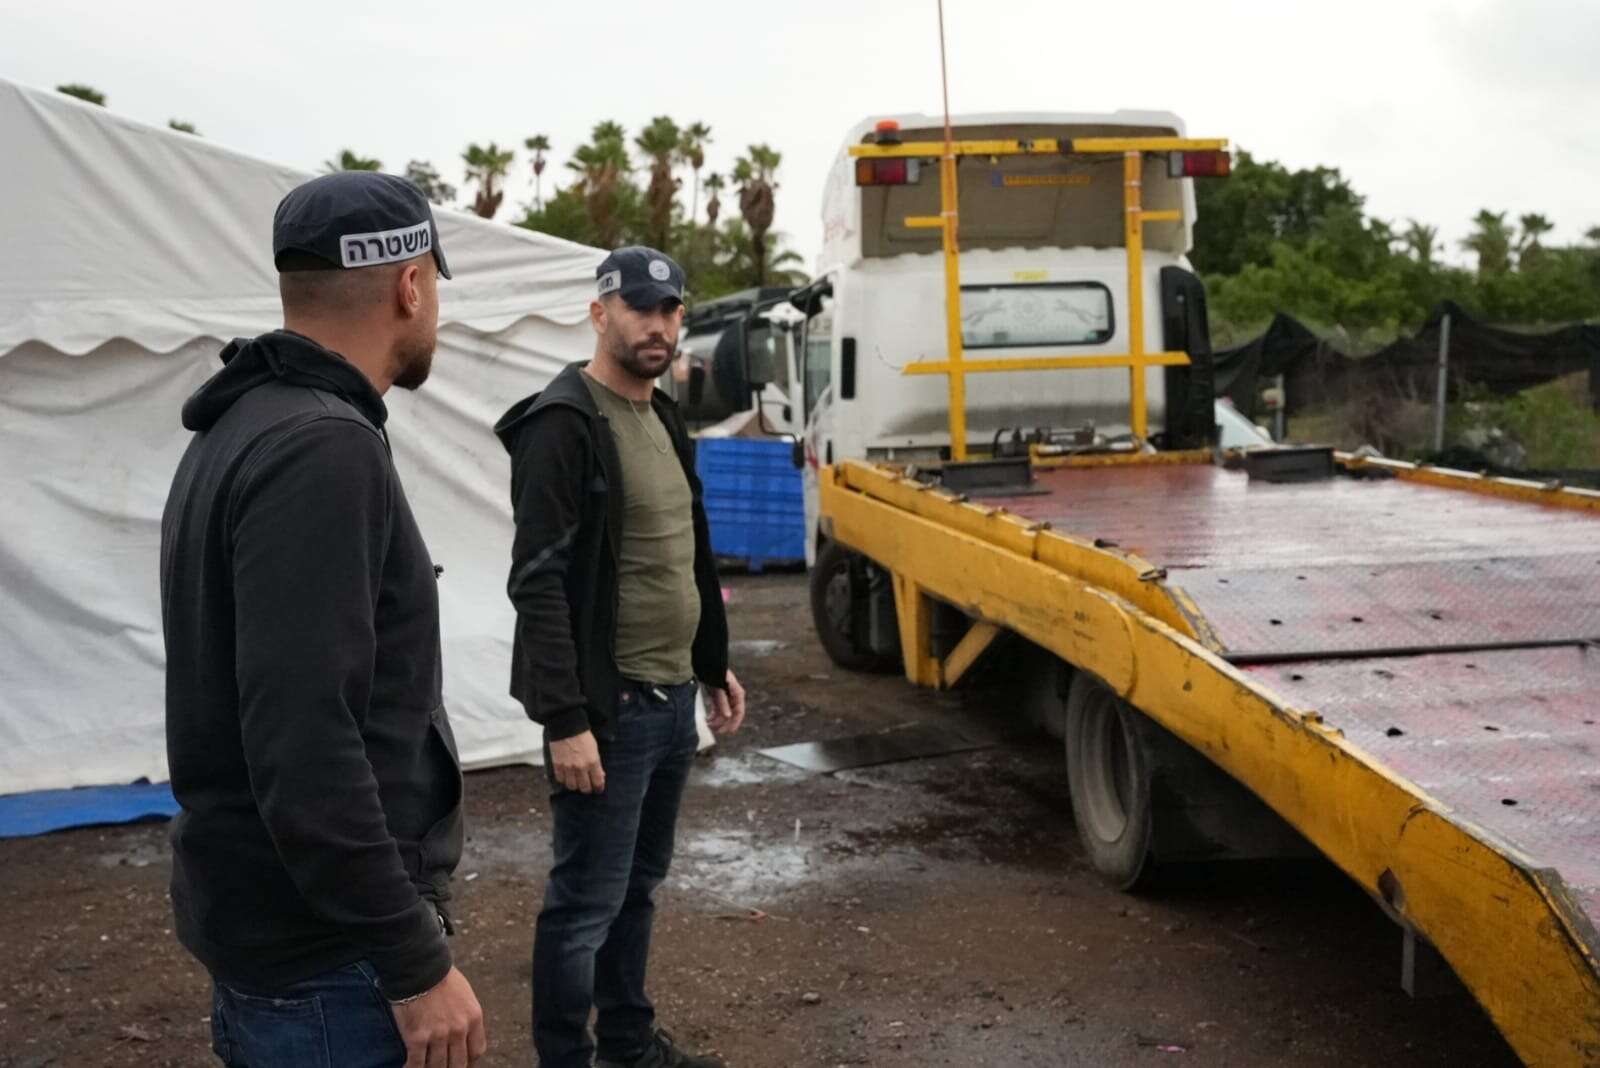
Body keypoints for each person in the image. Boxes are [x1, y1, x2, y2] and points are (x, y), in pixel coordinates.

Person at [160, 171, 487, 1068]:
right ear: (410, 285)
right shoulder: (321, 448)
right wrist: (414, 961)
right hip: (328, 963)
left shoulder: (243, 425)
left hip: (281, 937)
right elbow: (304, 746)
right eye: (434, 285)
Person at [495, 246, 747, 1068]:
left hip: (671, 701)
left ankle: (629, 1045)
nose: (658, 325)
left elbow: (684, 550)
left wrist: (711, 661)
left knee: (637, 889)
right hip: (612, 711)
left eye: (670, 310)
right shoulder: (564, 424)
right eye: (640, 308)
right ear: (599, 313)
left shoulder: (663, 415)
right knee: (584, 906)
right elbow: (537, 583)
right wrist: (565, 719)